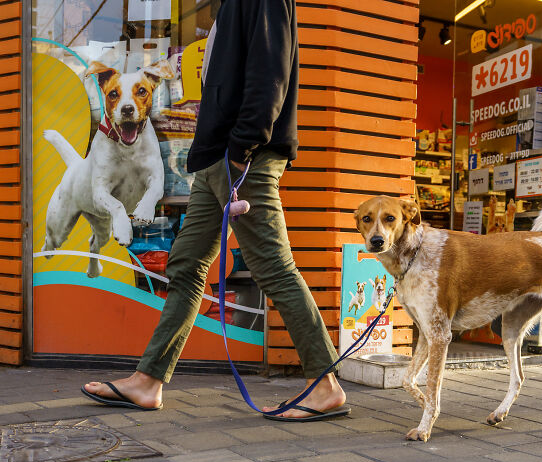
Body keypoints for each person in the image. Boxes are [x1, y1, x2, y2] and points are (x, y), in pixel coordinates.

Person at [82, 0, 349, 421]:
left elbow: (269, 75)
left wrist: (242, 149)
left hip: (243, 158)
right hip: (215, 159)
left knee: (274, 267)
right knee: (187, 266)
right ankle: (148, 381)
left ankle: (325, 384)